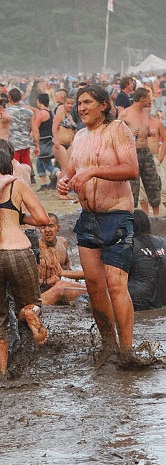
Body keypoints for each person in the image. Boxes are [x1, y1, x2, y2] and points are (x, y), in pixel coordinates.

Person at [57, 85, 138, 362]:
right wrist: (63, 182)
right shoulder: (79, 136)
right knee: (93, 285)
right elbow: (71, 172)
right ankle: (108, 345)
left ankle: (126, 351)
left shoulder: (117, 129)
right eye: (79, 103)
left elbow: (131, 169)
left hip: (116, 215)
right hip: (87, 219)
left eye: (88, 102)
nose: (81, 108)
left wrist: (93, 171)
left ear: (104, 105)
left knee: (116, 286)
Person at [0, 149, 50, 374]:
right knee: (31, 304)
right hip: (17, 251)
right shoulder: (16, 184)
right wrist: (18, 216)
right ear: (8, 167)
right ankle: (29, 313)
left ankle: (2, 372)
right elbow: (42, 219)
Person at [119, 88, 162, 217]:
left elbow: (145, 130)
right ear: (142, 99)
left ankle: (156, 216)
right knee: (133, 186)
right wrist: (128, 133)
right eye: (148, 98)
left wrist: (149, 132)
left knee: (153, 183)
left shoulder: (145, 113)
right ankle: (132, 216)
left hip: (146, 152)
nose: (150, 101)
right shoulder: (125, 113)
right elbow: (115, 132)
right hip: (132, 152)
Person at [38, 213, 87, 305]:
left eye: (51, 226)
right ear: (40, 230)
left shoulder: (62, 242)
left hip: (57, 286)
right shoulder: (35, 249)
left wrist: (70, 270)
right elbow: (22, 281)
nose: (47, 230)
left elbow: (67, 262)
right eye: (43, 227)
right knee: (60, 286)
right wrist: (47, 281)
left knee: (90, 289)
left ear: (58, 228)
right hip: (39, 294)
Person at [128, 209, 166, 311]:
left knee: (85, 294)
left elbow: (108, 276)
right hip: (163, 299)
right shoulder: (163, 241)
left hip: (139, 300)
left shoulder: (127, 246)